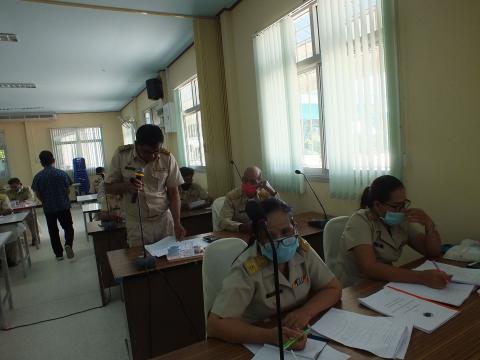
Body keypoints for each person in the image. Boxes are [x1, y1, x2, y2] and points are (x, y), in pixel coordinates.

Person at [208, 198, 341, 349]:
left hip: (296, 329)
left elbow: (333, 288)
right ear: (259, 238)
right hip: (253, 340)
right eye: (270, 236)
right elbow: (215, 325)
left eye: (285, 231)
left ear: (294, 227)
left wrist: (306, 312)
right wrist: (269, 336)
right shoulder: (248, 266)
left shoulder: (301, 249)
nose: (280, 240)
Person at [333, 175, 448, 288]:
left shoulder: (401, 221)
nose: (402, 210)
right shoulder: (360, 220)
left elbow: (432, 252)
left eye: (403, 204)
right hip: (355, 287)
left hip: (383, 282)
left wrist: (429, 224)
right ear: (377, 205)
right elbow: (369, 267)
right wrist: (421, 277)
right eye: (396, 206)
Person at [104, 124, 185, 247]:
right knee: (142, 261)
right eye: (147, 152)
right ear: (137, 144)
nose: (152, 156)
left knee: (169, 260)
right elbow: (108, 187)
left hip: (163, 220)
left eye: (156, 151)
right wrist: (126, 186)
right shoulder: (122, 156)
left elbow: (174, 194)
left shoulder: (166, 157)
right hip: (137, 223)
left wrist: (177, 223)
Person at [32, 150, 75, 260]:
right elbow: (68, 189)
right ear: (53, 160)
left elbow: (37, 193)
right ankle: (68, 244)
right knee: (68, 228)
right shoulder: (62, 173)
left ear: (41, 163)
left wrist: (45, 201)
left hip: (49, 208)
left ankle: (59, 254)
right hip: (63, 206)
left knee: (53, 231)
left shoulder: (38, 177)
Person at [219, 166, 278, 233]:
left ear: (259, 182)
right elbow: (223, 221)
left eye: (252, 181)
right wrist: (241, 227)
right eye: (245, 180)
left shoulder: (265, 194)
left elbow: (283, 211)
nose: (248, 184)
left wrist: (272, 191)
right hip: (241, 235)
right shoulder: (232, 196)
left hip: (263, 234)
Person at [6, 177, 40, 246]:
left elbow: (31, 199)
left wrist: (21, 202)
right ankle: (18, 240)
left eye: (15, 186)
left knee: (32, 221)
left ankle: (35, 237)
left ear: (19, 184)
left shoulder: (26, 189)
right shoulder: (9, 192)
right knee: (12, 224)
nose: (13, 189)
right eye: (11, 187)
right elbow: (8, 202)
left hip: (27, 210)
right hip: (15, 212)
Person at [0, 193, 18, 266]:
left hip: (3, 223)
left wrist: (3, 212)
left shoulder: (3, 197)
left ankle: (9, 258)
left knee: (12, 232)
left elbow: (8, 211)